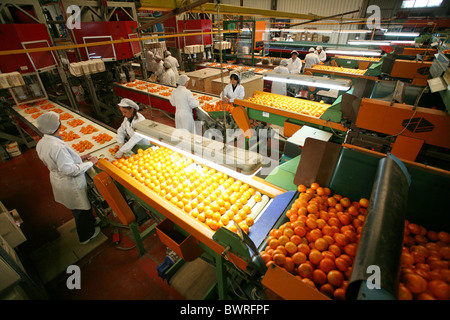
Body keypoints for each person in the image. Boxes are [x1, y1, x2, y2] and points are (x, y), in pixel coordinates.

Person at [35, 111, 100, 245]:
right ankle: (86, 235)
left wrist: (79, 158)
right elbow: (70, 170)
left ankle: (91, 223)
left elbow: (57, 161)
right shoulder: (56, 146)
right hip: (70, 183)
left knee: (81, 207)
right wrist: (90, 163)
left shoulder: (42, 142)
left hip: (58, 179)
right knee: (80, 210)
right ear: (58, 125)